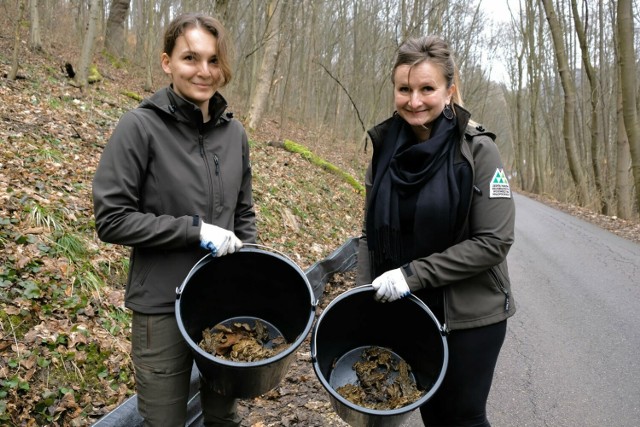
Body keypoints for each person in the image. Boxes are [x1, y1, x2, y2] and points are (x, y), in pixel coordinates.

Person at [92, 13, 256, 427]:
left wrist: (249, 272)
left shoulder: (233, 135)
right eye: (190, 58)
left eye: (213, 60)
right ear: (167, 62)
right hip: (161, 305)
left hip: (221, 303)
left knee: (223, 414)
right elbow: (111, 219)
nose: (204, 71)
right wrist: (194, 229)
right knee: (164, 420)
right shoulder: (139, 127)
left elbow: (243, 213)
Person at [356, 35, 516, 426]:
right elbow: (369, 237)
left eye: (427, 88)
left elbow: (494, 241)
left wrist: (412, 275)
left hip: (469, 316)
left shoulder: (477, 150)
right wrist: (360, 304)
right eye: (404, 89)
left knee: (462, 417)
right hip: (413, 312)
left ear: (449, 91)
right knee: (432, 415)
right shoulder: (384, 151)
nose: (414, 101)